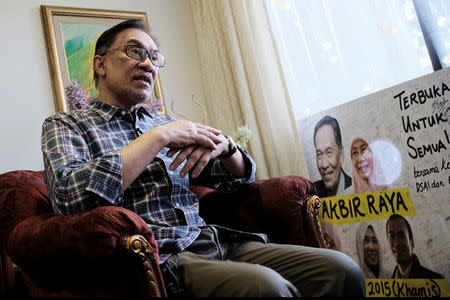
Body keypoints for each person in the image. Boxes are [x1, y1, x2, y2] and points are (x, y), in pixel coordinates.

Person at [41, 19, 365, 297]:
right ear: (100, 64)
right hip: (166, 257)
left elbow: (237, 178)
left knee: (341, 270)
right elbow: (70, 197)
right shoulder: (68, 125)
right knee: (267, 289)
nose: (148, 64)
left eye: (154, 57)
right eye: (135, 51)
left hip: (218, 239)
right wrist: (157, 137)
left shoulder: (167, 124)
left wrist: (228, 148)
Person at [385, 214, 444, 279]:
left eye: (401, 236)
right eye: (392, 236)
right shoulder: (387, 287)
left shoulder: (435, 280)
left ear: (412, 243)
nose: (396, 243)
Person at [313, 115, 352, 197]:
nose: (324, 164)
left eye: (329, 152)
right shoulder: (313, 193)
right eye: (319, 154)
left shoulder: (357, 189)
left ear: (341, 155)